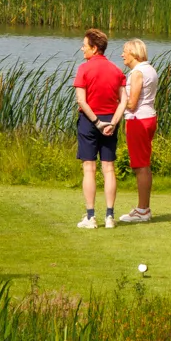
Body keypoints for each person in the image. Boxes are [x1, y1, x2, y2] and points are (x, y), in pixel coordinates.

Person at [73, 28, 126, 228]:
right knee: (109, 168)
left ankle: (91, 216)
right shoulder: (116, 70)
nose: (82, 49)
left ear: (94, 48)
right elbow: (124, 101)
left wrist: (96, 122)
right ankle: (110, 217)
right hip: (110, 121)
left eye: (85, 46)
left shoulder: (84, 69)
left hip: (90, 121)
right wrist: (113, 122)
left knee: (89, 168)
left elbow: (81, 100)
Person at [117, 39, 159, 223]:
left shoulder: (137, 72)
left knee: (140, 165)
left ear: (133, 53)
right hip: (148, 117)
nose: (122, 55)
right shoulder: (150, 69)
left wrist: (116, 98)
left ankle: (143, 210)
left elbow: (132, 104)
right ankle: (143, 208)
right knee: (144, 164)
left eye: (125, 51)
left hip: (138, 120)